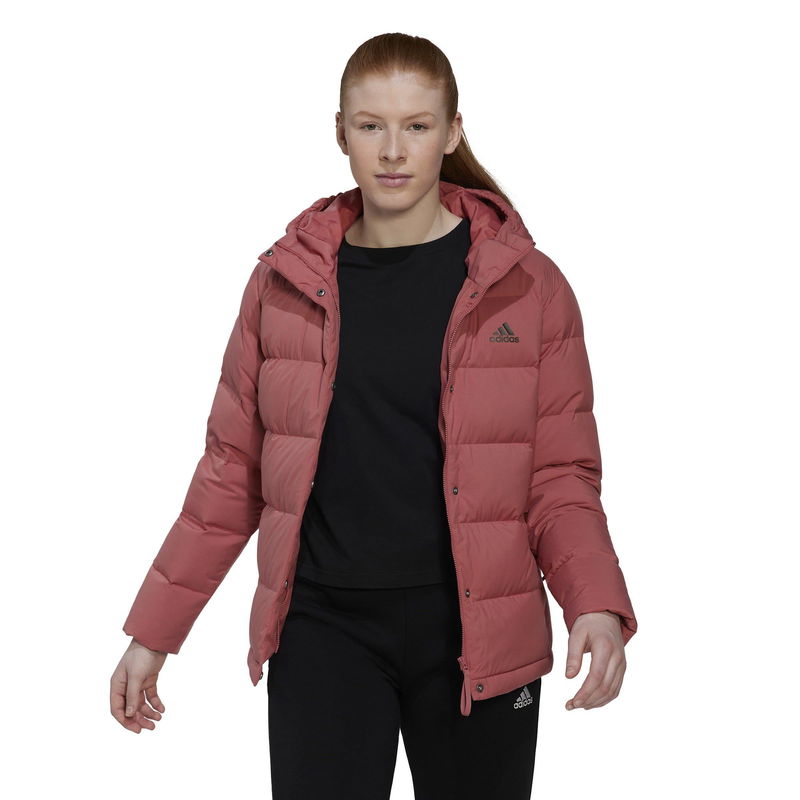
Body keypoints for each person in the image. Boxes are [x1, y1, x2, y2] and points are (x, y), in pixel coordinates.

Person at [110, 32, 637, 800]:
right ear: (340, 132)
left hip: (480, 634)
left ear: (452, 132)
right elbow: (232, 473)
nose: (393, 150)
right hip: (323, 629)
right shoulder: (283, 285)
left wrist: (594, 603)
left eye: (417, 126)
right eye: (371, 125)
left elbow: (559, 475)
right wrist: (152, 633)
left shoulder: (528, 288)